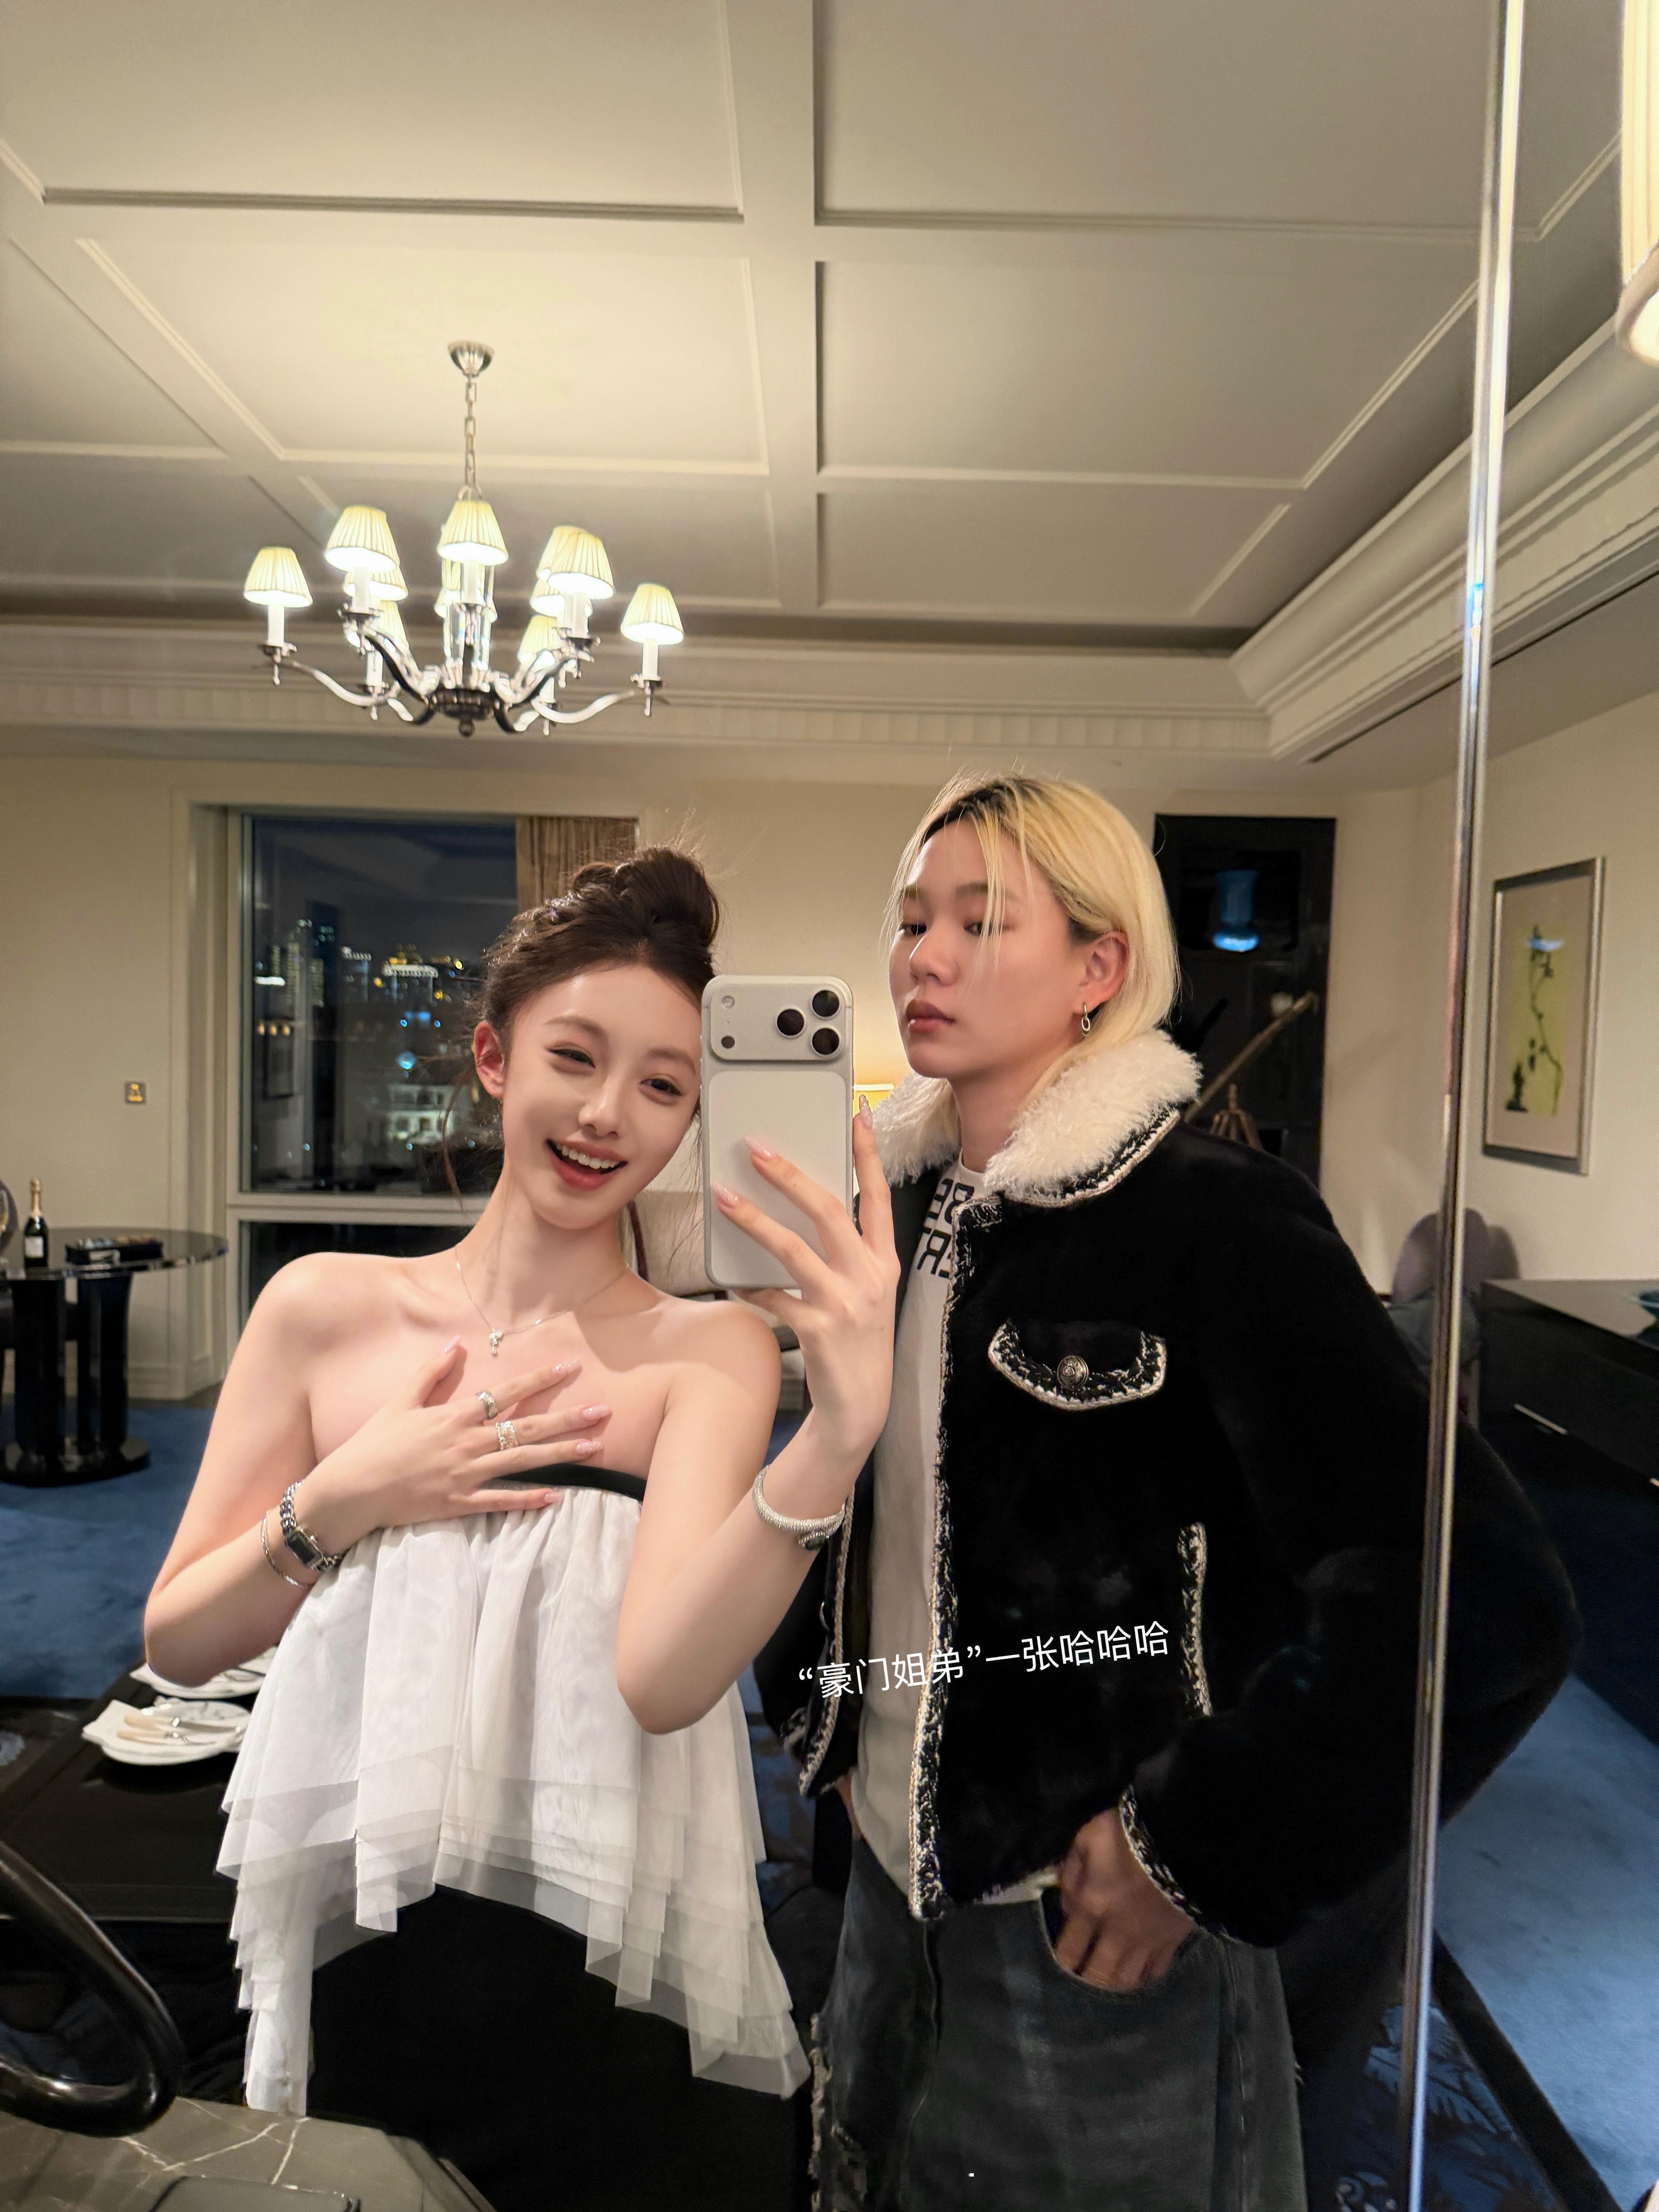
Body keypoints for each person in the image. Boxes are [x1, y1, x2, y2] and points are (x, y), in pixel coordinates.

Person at [618, 774, 1580, 2212]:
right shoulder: (896, 1209)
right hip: (881, 1885)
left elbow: (1480, 1600)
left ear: (1097, 968)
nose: (923, 956)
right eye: (912, 920)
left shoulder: (1212, 1217)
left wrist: (1196, 1845)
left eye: (981, 920)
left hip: (1084, 1921)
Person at [144, 849, 832, 2212]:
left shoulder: (709, 1352)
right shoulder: (322, 1310)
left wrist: (837, 1436)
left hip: (605, 1958)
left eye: (663, 1086)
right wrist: (348, 1497)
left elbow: (667, 1683)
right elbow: (177, 1642)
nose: (606, 1114)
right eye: (573, 1057)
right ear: (492, 1058)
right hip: (370, 1936)